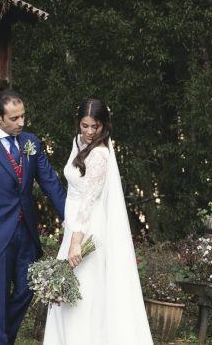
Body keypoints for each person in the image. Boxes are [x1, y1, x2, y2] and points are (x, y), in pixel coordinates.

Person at [43, 98, 153, 344]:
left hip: (88, 228)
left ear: (104, 125)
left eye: (96, 126)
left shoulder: (101, 154)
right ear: (78, 123)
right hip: (73, 225)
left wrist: (76, 241)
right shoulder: (78, 142)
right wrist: (69, 230)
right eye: (85, 125)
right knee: (67, 290)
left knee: (85, 292)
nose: (91, 132)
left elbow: (88, 201)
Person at [0, 89, 67, 345]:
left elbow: (51, 184)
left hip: (27, 234)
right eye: (15, 118)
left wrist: (73, 218)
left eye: (23, 116)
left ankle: (3, 341)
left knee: (26, 290)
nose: (21, 123)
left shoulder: (31, 142)